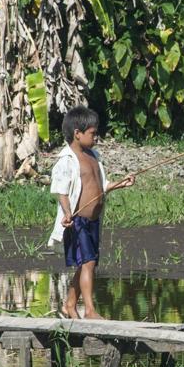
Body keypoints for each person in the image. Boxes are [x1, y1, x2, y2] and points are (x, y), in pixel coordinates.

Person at [47, 106, 135, 319]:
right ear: (77, 133)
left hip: (94, 220)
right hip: (78, 220)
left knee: (88, 263)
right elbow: (61, 191)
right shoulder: (67, 160)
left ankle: (69, 304)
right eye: (92, 133)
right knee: (88, 263)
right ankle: (89, 310)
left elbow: (101, 185)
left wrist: (121, 183)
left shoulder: (94, 156)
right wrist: (67, 213)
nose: (96, 137)